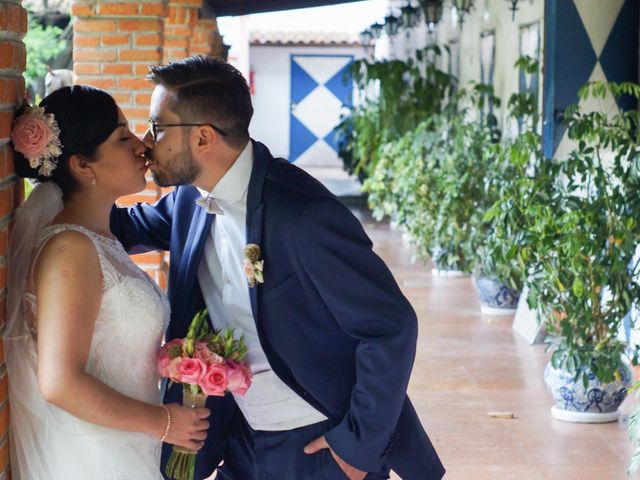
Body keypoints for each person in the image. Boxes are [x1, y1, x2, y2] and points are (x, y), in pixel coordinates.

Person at [111, 56, 445, 480]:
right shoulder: (188, 202)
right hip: (238, 436)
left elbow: (391, 326)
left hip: (317, 441)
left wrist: (356, 446)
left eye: (156, 127)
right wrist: (66, 164)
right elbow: (114, 228)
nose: (146, 141)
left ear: (203, 138)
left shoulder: (303, 215)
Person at [5, 85, 210, 480]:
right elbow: (59, 383)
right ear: (83, 165)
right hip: (91, 456)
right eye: (122, 137)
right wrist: (164, 423)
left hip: (124, 448)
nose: (140, 147)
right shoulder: (70, 249)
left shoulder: (101, 240)